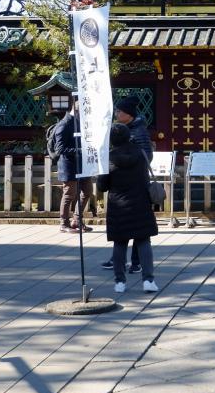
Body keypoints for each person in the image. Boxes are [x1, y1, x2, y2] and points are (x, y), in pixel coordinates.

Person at [97, 123, 159, 294]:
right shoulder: (140, 153)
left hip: (119, 204)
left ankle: (119, 282)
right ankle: (148, 280)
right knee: (144, 241)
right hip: (140, 202)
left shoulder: (108, 158)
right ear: (128, 136)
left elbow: (102, 186)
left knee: (120, 242)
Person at [101, 96, 153, 272]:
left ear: (129, 114)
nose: (116, 113)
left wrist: (129, 164)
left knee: (138, 228)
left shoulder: (139, 131)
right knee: (128, 227)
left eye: (119, 111)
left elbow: (147, 156)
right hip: (126, 184)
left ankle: (136, 262)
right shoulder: (124, 129)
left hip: (137, 182)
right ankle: (118, 259)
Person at [54, 101, 93, 233]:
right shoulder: (63, 125)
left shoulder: (81, 123)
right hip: (69, 165)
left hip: (83, 164)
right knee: (69, 194)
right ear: (77, 111)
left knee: (87, 191)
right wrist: (79, 150)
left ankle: (76, 219)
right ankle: (63, 223)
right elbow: (59, 149)